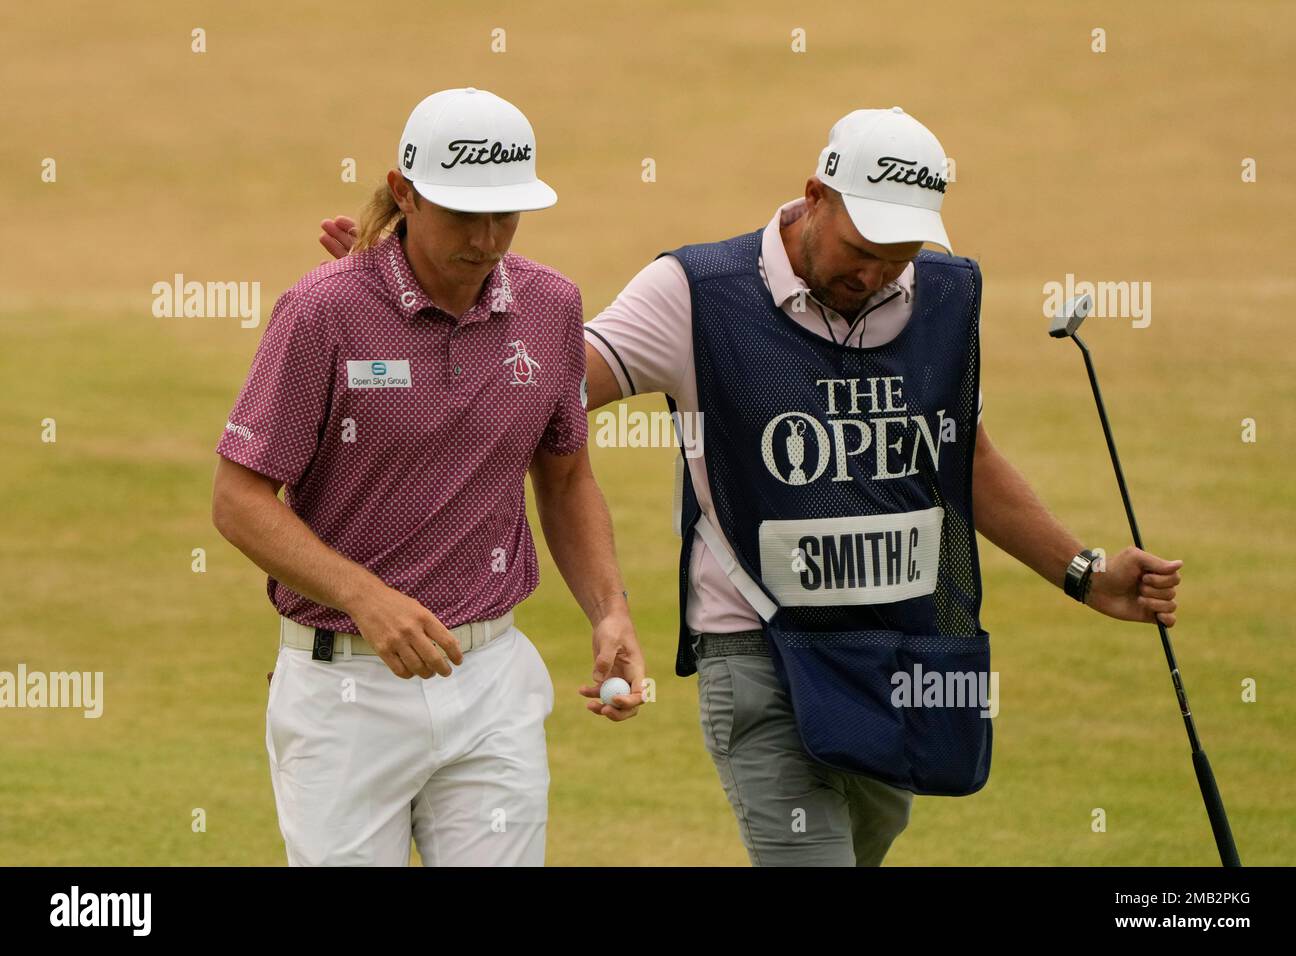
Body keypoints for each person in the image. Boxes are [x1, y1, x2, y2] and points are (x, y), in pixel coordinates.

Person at [320, 106, 1183, 867]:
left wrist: (1082, 570)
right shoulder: (699, 293)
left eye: (902, 252)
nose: (879, 272)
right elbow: (540, 384)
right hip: (758, 648)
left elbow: (965, 462)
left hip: (904, 651)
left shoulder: (942, 298)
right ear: (816, 195)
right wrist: (394, 296)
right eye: (861, 248)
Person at [214, 87, 644, 868]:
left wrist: (608, 610)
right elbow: (239, 501)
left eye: (504, 216)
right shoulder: (322, 312)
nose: (485, 240)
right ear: (405, 192)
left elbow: (568, 473)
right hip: (342, 692)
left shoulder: (551, 306)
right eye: (460, 215)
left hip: (491, 684)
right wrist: (366, 597)